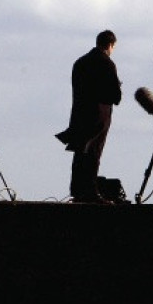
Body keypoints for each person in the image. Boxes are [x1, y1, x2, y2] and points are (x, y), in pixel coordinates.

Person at [56, 30, 122, 204]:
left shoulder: (80, 62)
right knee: (94, 153)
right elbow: (116, 97)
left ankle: (77, 191)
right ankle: (90, 191)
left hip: (79, 114)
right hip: (99, 116)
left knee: (80, 153)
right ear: (110, 45)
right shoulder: (107, 64)